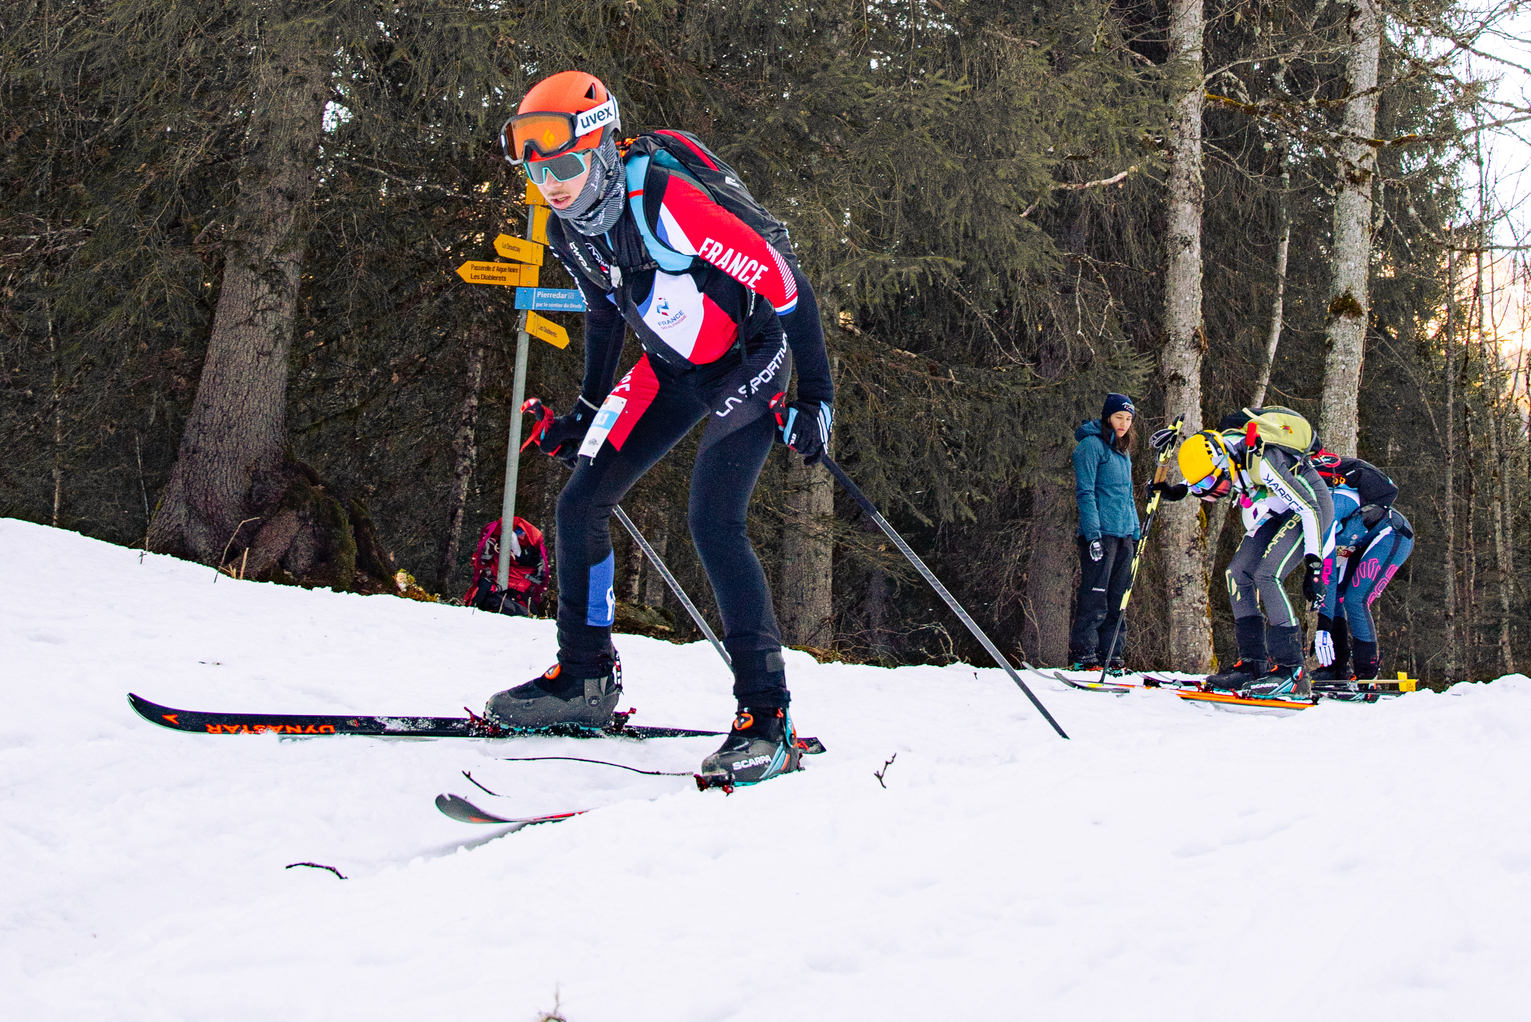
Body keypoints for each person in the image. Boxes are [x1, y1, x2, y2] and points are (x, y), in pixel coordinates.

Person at [485, 71, 835, 788]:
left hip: (748, 355)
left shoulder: (667, 202)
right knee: (580, 505)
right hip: (670, 364)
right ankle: (584, 680)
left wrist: (817, 398)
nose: (552, 186)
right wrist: (587, 412)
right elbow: (605, 314)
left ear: (602, 149)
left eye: (565, 168)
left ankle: (766, 719)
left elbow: (784, 283)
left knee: (713, 521)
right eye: (537, 172)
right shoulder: (568, 227)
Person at [1176, 417, 1334, 696]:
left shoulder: (1263, 462)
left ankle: (1292, 669)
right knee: (1237, 573)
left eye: (1215, 484)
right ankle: (1253, 663)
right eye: (1205, 492)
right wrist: (1180, 489)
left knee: (1267, 575)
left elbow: (1309, 510)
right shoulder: (1225, 458)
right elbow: (1202, 475)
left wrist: (1314, 565)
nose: (1216, 493)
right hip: (1279, 508)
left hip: (1311, 508)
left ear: (1224, 463)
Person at [1311, 454, 1412, 683]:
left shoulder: (1328, 508)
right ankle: (1336, 667)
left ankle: (1367, 671)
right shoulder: (1317, 508)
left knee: (1356, 599)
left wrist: (1323, 626)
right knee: (1337, 595)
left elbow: (1327, 570)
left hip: (1391, 534)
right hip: (1359, 540)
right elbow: (1329, 577)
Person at [1067, 393, 1140, 671]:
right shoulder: (1090, 446)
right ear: (1108, 417)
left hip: (1123, 533)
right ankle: (1085, 655)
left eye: (1128, 419)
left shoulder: (1122, 452)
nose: (1124, 423)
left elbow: (1128, 495)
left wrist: (1135, 532)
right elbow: (1085, 492)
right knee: (1095, 595)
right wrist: (1092, 534)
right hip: (1100, 533)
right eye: (1119, 417)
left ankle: (1111, 655)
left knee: (1118, 598)